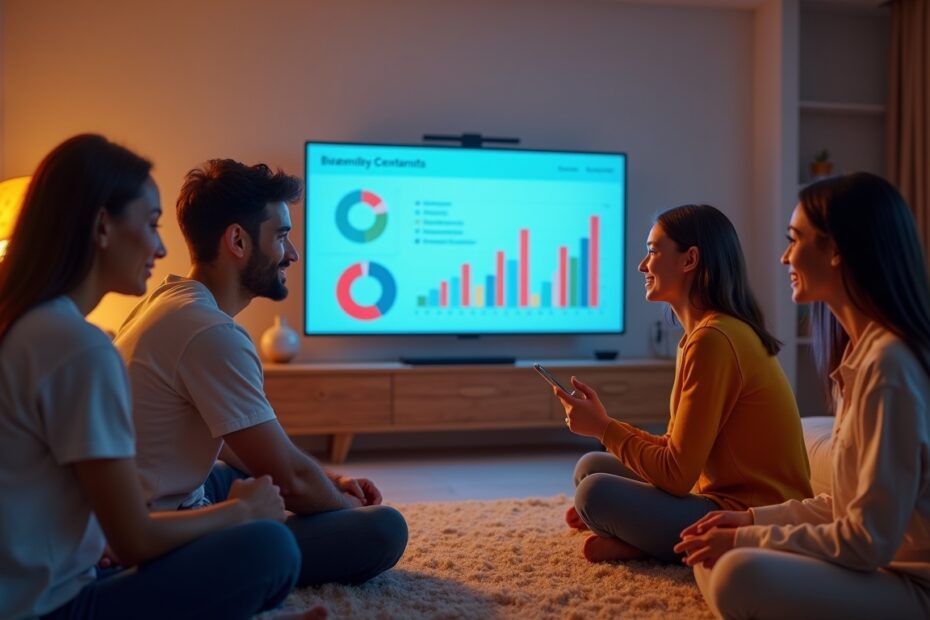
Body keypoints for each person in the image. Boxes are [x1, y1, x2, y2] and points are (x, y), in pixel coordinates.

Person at [0, 134, 304, 620]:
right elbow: (135, 539)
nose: (162, 248)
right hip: (57, 606)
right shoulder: (77, 348)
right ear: (103, 226)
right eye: (152, 224)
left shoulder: (30, 325)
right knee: (272, 548)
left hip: (55, 571)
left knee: (228, 487)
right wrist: (240, 514)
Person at [114, 158, 407, 587]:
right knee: (383, 529)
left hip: (160, 499)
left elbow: (241, 445)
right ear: (237, 240)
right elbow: (291, 479)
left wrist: (332, 480)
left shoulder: (169, 302)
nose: (293, 254)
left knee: (243, 474)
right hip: (158, 538)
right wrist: (347, 507)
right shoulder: (211, 331)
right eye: (282, 237)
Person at [676, 173, 930, 619]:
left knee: (737, 571)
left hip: (910, 583)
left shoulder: (888, 365)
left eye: (795, 240)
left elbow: (864, 540)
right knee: (713, 548)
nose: (783, 256)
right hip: (876, 565)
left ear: (835, 251)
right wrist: (751, 521)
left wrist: (744, 540)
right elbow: (843, 506)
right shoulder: (861, 353)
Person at [556, 204, 812, 563]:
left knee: (594, 494)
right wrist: (605, 426)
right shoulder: (705, 334)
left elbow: (676, 475)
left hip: (745, 516)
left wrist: (604, 428)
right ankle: (641, 539)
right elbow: (676, 452)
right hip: (710, 493)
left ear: (689, 259)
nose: (642, 266)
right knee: (591, 468)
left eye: (652, 251)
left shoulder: (714, 340)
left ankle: (645, 544)